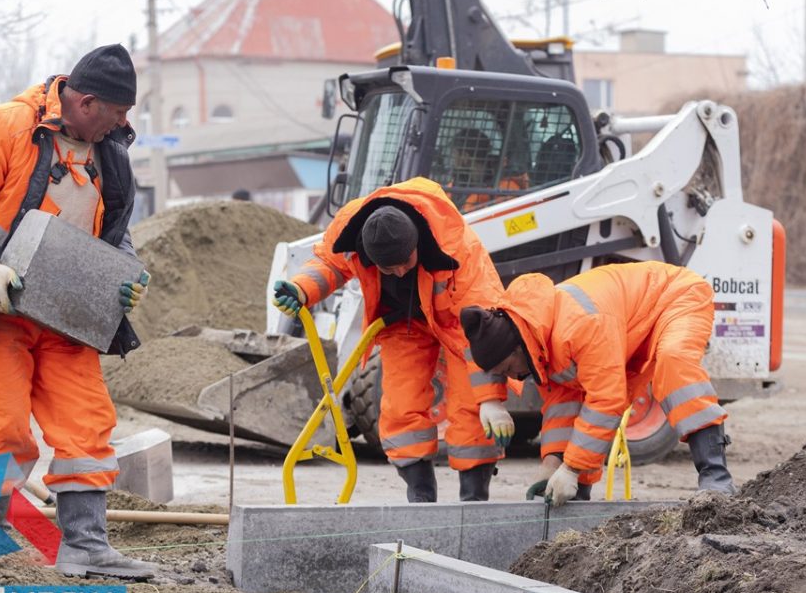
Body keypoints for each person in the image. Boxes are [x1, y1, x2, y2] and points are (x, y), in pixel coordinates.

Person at [0, 44, 156, 579]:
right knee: (2, 428)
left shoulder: (107, 147)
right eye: (118, 112)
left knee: (86, 427)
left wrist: (126, 275)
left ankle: (86, 546)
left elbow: (113, 231)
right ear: (87, 102)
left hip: (67, 317)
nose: (124, 123)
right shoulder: (3, 126)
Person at [271, 177, 515, 502]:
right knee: (400, 408)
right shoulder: (351, 229)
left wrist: (490, 399)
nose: (399, 272)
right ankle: (420, 500)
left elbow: (482, 332)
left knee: (470, 408)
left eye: (405, 263)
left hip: (459, 326)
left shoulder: (459, 251)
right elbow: (330, 262)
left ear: (419, 246)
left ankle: (473, 500)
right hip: (403, 323)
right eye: (388, 268)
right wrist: (302, 288)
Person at [460, 261, 735, 506]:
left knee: (674, 364)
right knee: (575, 410)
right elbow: (563, 407)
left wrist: (571, 469)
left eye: (508, 368)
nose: (513, 377)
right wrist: (553, 464)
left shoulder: (578, 326)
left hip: (674, 296)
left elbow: (606, 402)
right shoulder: (540, 340)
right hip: (632, 328)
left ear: (517, 348)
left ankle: (716, 479)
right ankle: (578, 500)